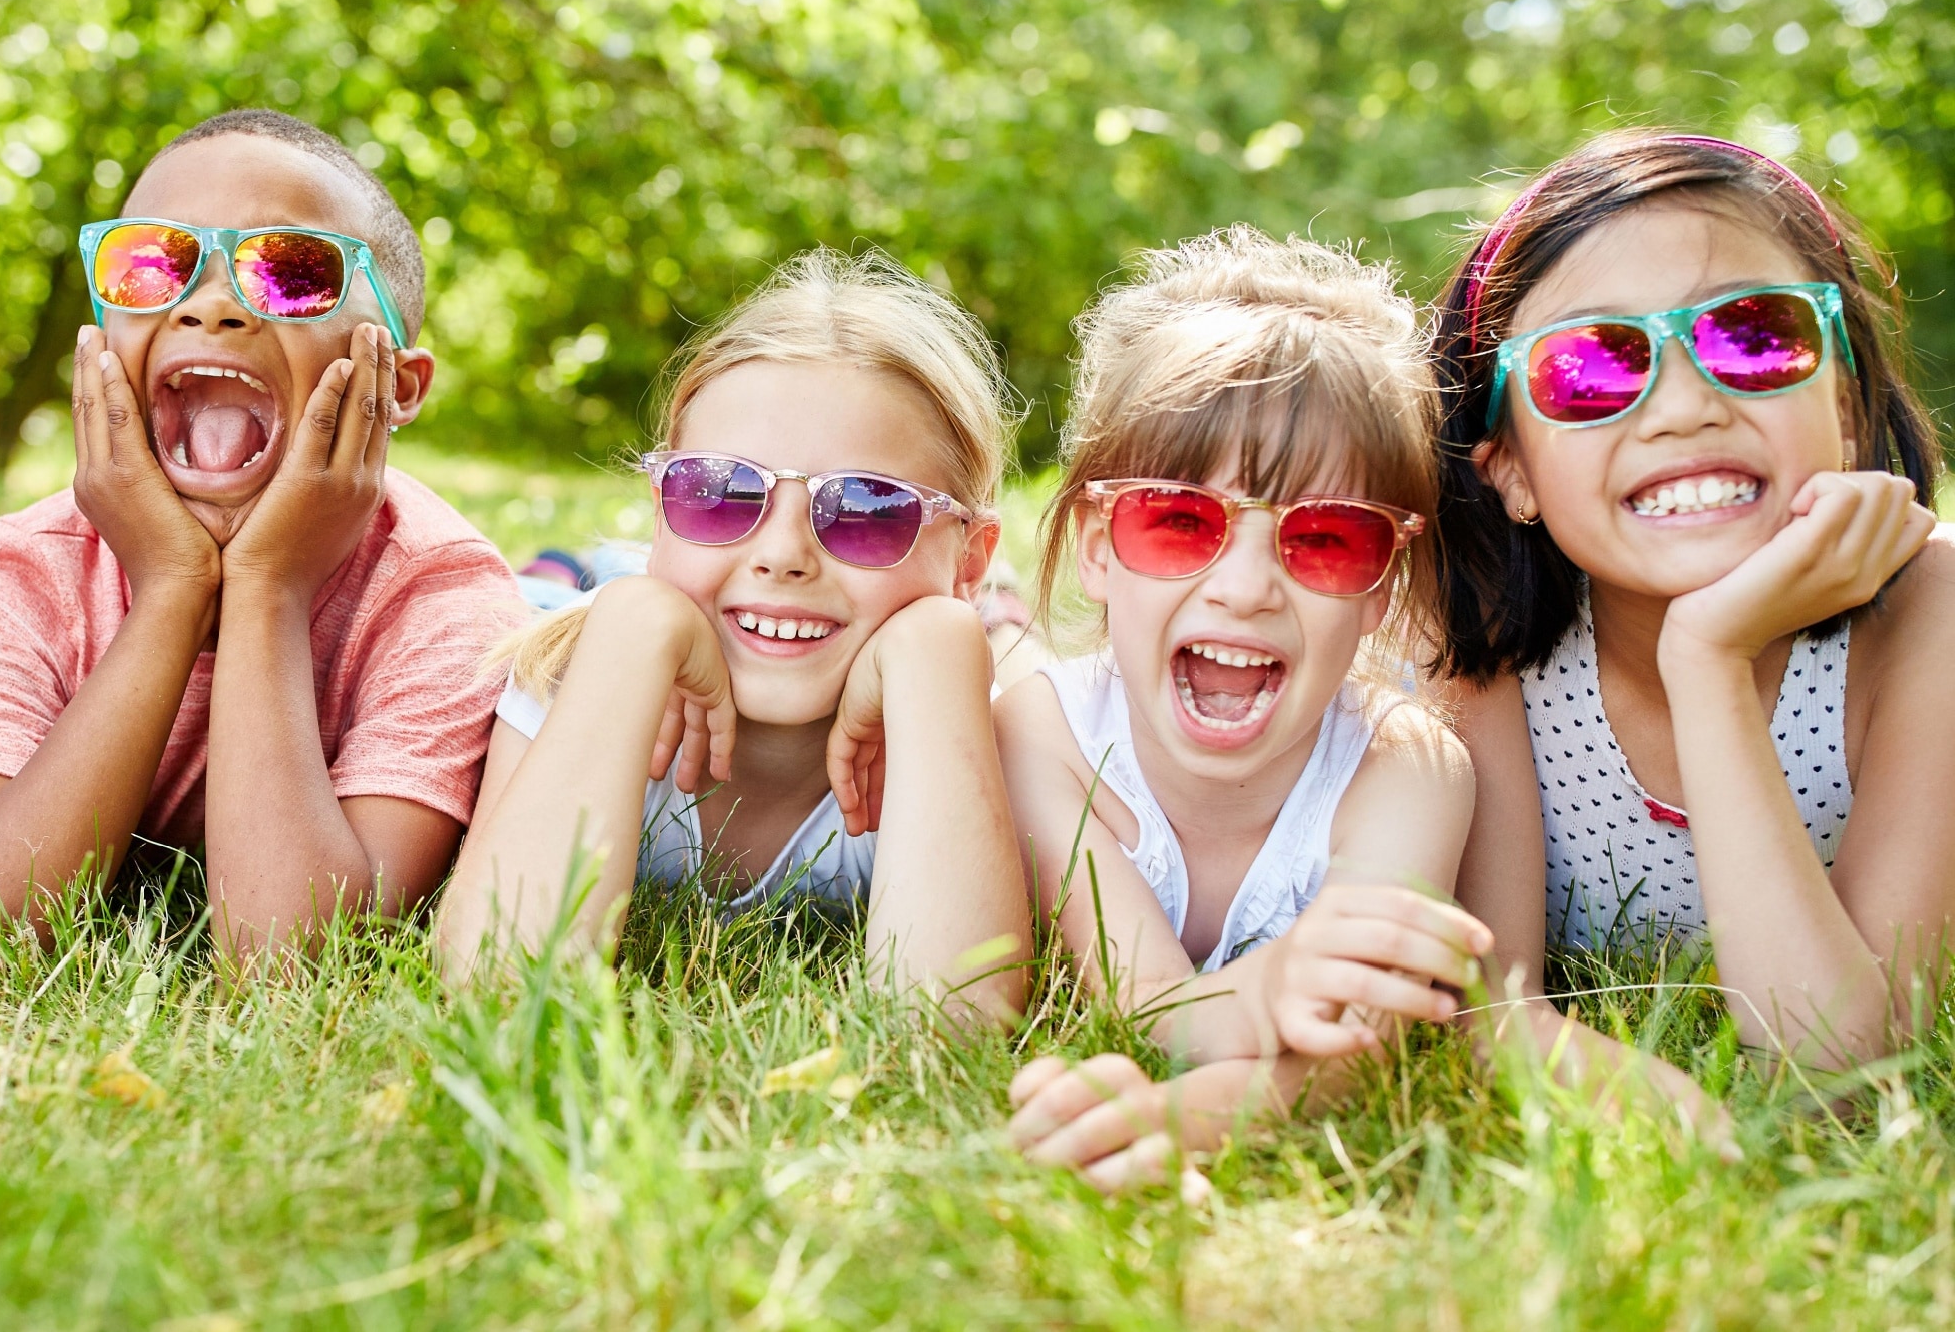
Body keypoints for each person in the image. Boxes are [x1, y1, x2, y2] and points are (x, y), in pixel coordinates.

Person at [0, 109, 523, 960]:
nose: (210, 305)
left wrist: (270, 582)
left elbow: (286, 962)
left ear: (401, 383)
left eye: (291, 272)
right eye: (153, 265)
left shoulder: (442, 596)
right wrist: (171, 588)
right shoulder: (22, 573)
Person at [1431, 130, 1951, 1071]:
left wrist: (1706, 658)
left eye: (1752, 334)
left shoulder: (1929, 614)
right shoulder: (1485, 647)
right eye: (1589, 367)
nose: (1681, 407)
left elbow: (1842, 1064)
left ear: (1842, 402)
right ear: (1510, 471)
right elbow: (1493, 1015)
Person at [999, 229, 1490, 1190]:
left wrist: (1175, 1118)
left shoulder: (1408, 773)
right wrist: (1274, 983)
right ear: (1098, 546)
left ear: (1383, 590)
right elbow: (1149, 1007)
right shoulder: (1042, 734)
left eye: (1329, 538)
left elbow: (1358, 1050)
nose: (1248, 588)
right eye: (1179, 520)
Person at [432, 249, 1032, 1021]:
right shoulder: (571, 676)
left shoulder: (962, 722)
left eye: (867, 509)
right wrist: (632, 621)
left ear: (969, 560)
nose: (782, 554)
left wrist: (942, 644)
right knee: (561, 590)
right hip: (577, 605)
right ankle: (579, 570)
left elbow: (952, 1021)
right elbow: (493, 983)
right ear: (658, 513)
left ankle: (1004, 610)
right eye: (716, 493)